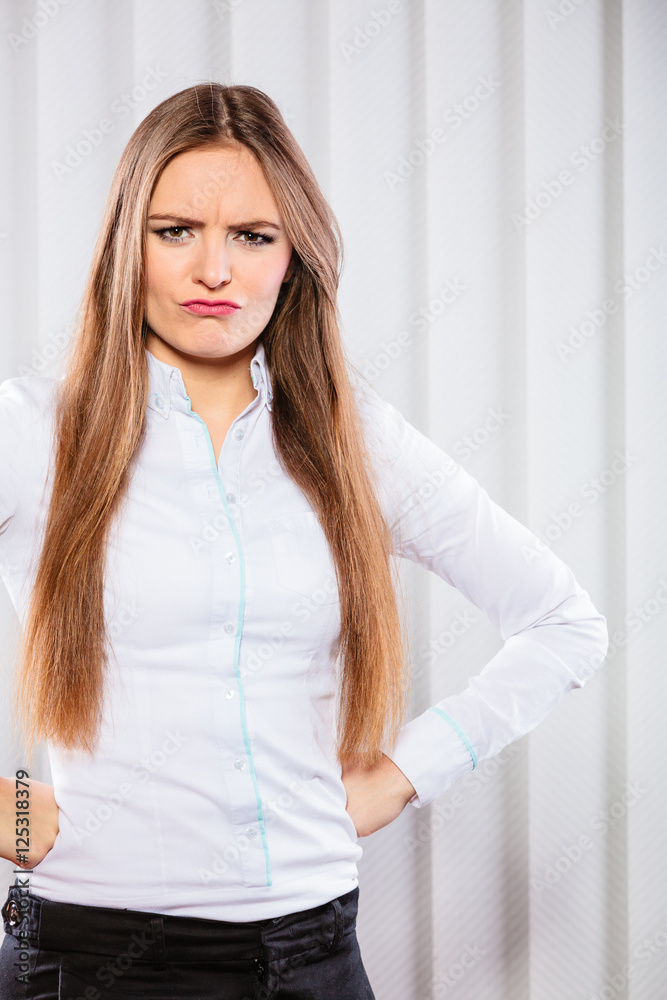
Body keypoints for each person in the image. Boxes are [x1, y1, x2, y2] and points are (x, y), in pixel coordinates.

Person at [0, 82, 608, 999]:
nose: (214, 270)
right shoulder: (32, 433)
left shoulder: (357, 439)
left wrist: (403, 773)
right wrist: (9, 812)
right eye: (175, 231)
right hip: (92, 961)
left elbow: (563, 622)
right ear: (128, 245)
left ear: (294, 259)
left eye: (253, 236)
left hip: (314, 958)